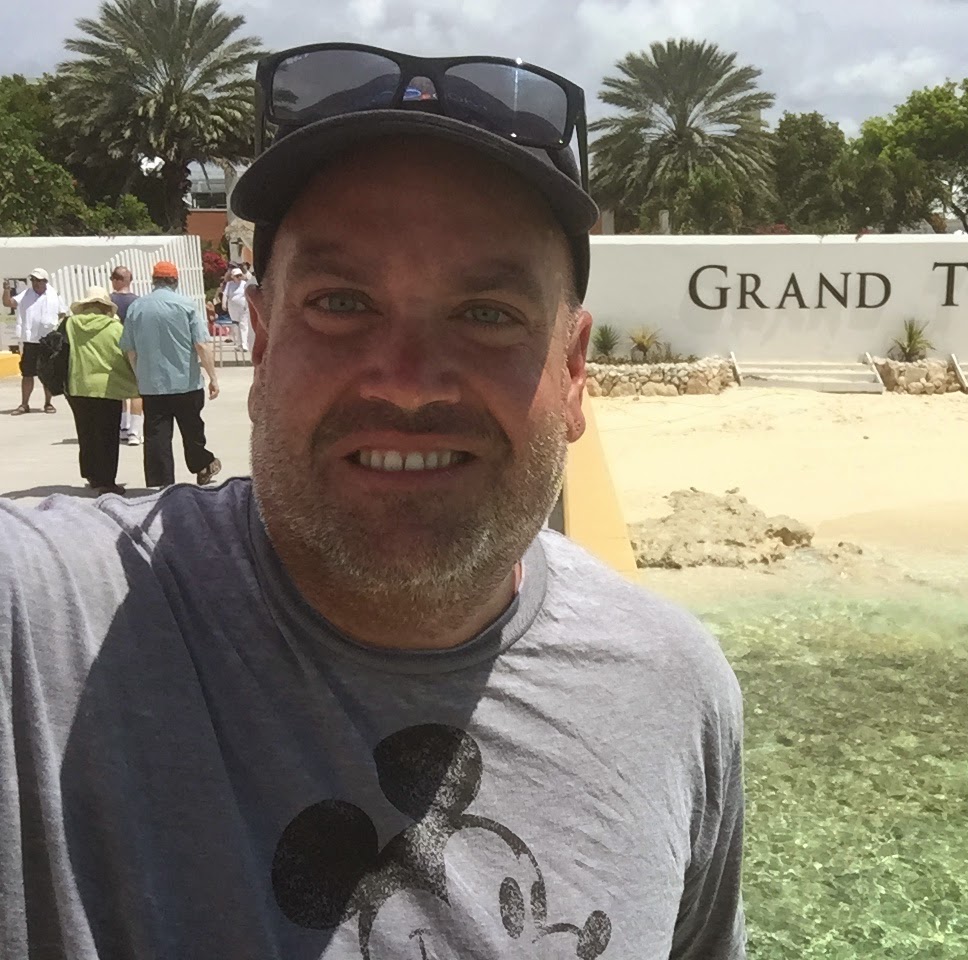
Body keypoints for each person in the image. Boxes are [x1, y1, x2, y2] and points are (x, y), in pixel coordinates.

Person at [0, 44, 744, 960]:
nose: (405, 383)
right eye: (343, 301)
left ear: (575, 368)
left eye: (486, 314)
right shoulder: (40, 627)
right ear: (262, 344)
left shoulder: (676, 694)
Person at [119, 260, 221, 488]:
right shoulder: (186, 305)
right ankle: (202, 465)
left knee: (157, 437)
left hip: (153, 386)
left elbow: (130, 349)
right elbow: (202, 346)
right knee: (192, 431)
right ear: (175, 281)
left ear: (154, 281)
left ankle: (160, 484)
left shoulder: (137, 307)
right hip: (186, 383)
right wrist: (213, 377)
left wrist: (139, 376)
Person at [64, 285, 138, 495]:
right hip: (108, 387)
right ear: (105, 306)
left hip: (77, 386)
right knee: (107, 435)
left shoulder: (70, 324)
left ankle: (91, 473)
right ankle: (107, 481)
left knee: (85, 431)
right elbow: (126, 354)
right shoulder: (115, 328)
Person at [3, 267, 67, 415]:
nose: (35, 283)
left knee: (47, 373)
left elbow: (62, 312)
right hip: (30, 340)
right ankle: (24, 404)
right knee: (27, 373)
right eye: (33, 280)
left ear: (45, 281)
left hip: (47, 340)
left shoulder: (53, 295)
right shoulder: (26, 294)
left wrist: (56, 329)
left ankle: (48, 403)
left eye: (38, 280)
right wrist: (6, 290)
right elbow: (8, 303)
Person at [109, 265, 144, 445]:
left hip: (114, 348)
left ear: (117, 280)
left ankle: (123, 426)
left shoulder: (108, 302)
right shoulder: (138, 302)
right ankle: (135, 431)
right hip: (135, 347)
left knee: (120, 389)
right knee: (137, 389)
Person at [220, 264, 253, 354]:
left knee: (243, 324)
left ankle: (244, 344)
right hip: (232, 307)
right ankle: (239, 344)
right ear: (233, 277)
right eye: (236, 276)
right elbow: (225, 294)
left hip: (243, 307)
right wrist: (224, 304)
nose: (238, 277)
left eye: (240, 275)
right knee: (235, 325)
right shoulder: (229, 284)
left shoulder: (244, 284)